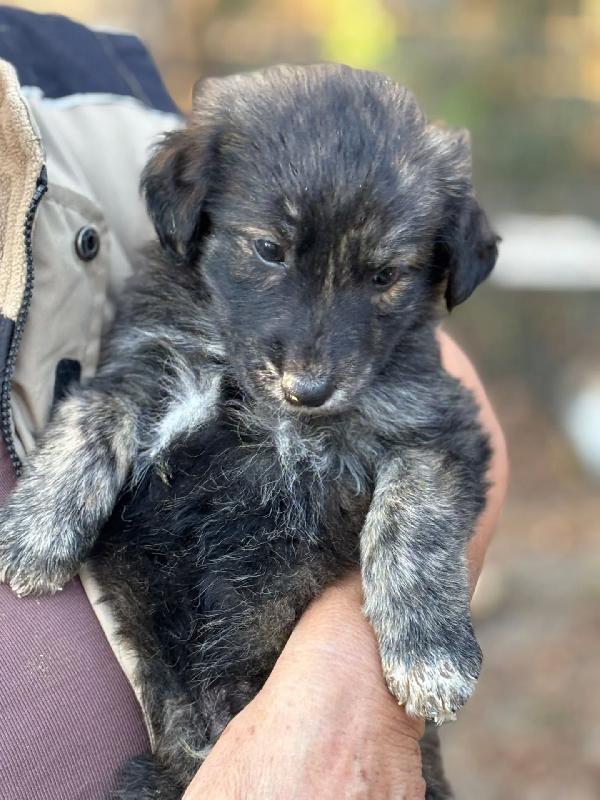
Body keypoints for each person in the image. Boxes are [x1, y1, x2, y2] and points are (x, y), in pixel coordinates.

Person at [0, 8, 508, 799]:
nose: (309, 366)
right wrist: (72, 473)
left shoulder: (79, 82)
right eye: (269, 251)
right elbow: (124, 390)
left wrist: (391, 643)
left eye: (382, 278)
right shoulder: (172, 298)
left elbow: (448, 443)